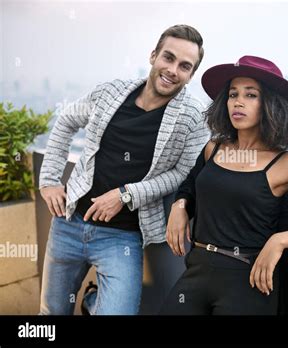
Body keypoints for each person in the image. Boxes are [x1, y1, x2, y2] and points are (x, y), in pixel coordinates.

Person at [160, 55, 288, 315]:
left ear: (270, 104)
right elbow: (192, 183)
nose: (238, 102)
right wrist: (180, 205)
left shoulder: (287, 165)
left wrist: (281, 240)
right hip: (195, 271)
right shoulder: (214, 148)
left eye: (251, 95)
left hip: (247, 282)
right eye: (233, 94)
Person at [38, 24, 209, 315]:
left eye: (184, 66)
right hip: (68, 221)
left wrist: (126, 195)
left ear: (191, 75)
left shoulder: (193, 117)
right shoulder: (110, 92)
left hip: (123, 238)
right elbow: (67, 120)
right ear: (153, 55)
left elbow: (182, 173)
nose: (172, 70)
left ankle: (93, 303)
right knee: (51, 313)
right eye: (168, 57)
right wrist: (49, 179)